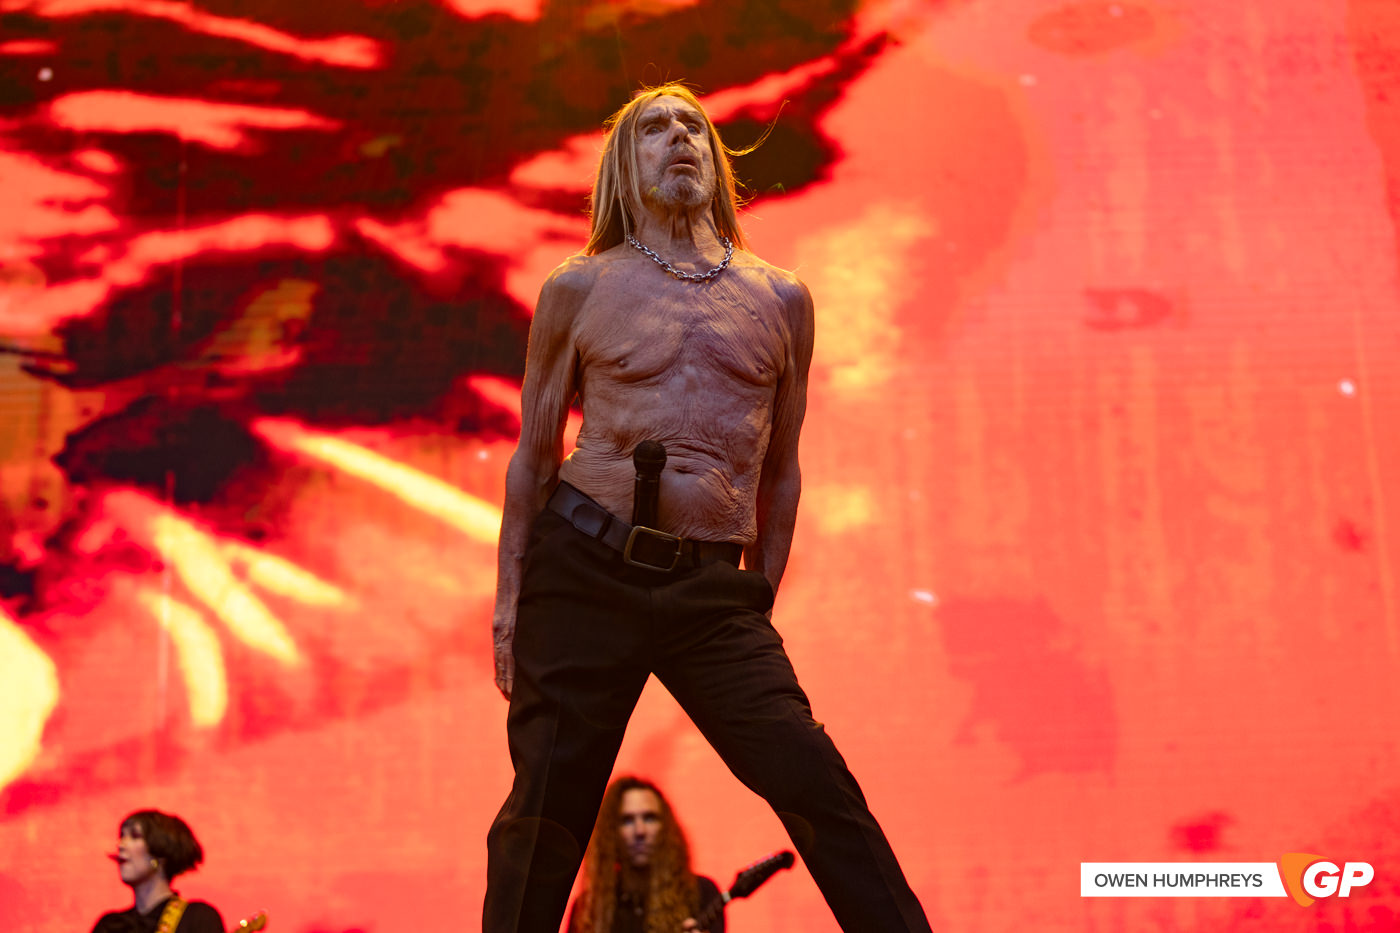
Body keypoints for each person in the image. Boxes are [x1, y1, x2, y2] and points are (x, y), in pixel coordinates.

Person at [483, 82, 932, 933]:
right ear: (627, 163)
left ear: (715, 159)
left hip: (711, 590)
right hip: (584, 568)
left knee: (814, 778)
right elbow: (533, 456)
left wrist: (753, 594)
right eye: (654, 128)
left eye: (693, 125)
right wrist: (509, 602)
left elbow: (782, 471)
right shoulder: (578, 287)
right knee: (545, 807)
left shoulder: (781, 298)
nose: (678, 136)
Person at [566, 777, 724, 933]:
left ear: (666, 828)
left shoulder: (700, 893)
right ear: (611, 832)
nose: (640, 831)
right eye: (627, 820)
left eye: (649, 818)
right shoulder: (588, 908)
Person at [91, 809, 224, 933]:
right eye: (122, 836)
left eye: (135, 836)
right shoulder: (110, 926)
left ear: (160, 851)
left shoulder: (197, 918)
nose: (120, 845)